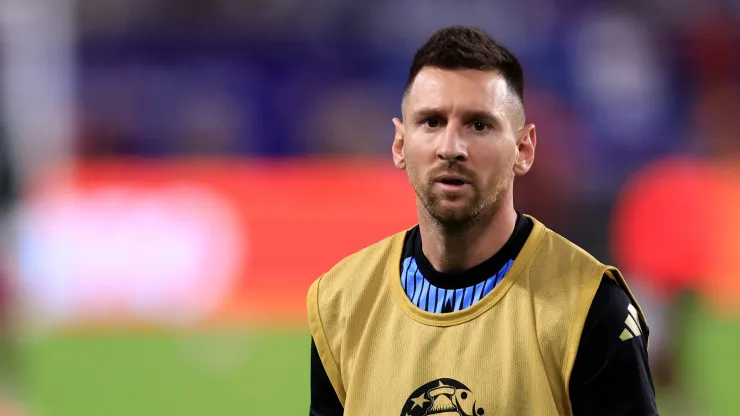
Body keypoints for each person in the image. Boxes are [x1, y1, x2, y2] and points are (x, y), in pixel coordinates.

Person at [307, 26, 658, 416]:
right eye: (432, 122)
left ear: (523, 149)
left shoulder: (591, 308)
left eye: (479, 125)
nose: (451, 148)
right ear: (400, 145)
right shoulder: (340, 303)